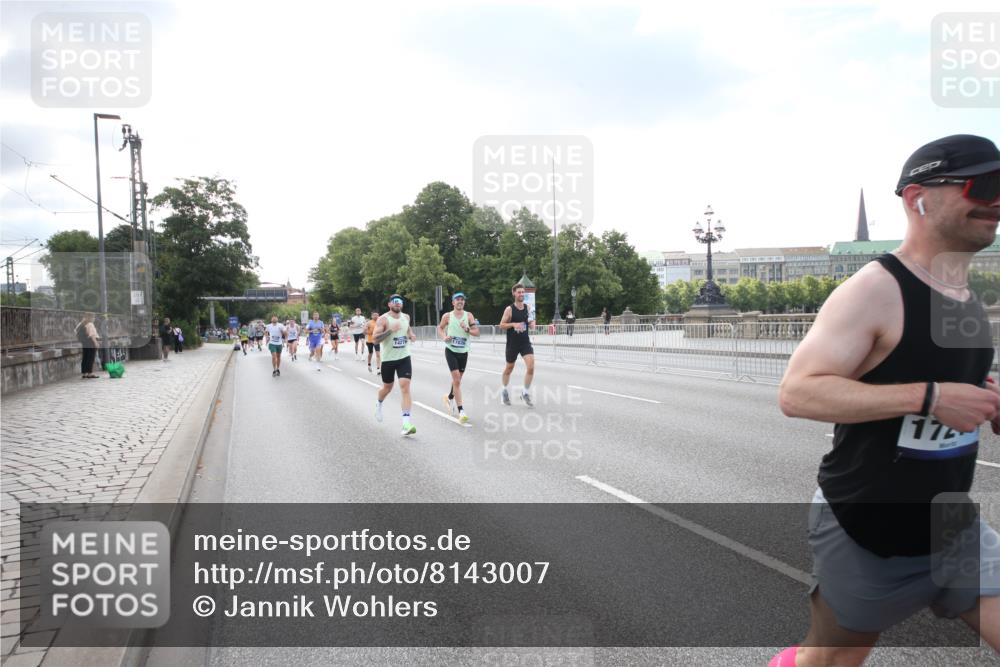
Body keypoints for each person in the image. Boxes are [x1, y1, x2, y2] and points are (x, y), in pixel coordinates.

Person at [773, 134, 1000, 667]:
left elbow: (961, 402)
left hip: (951, 528)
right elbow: (796, 392)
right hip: (865, 530)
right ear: (917, 197)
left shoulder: (967, 295)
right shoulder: (874, 290)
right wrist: (931, 397)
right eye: (982, 185)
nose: (997, 202)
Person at [373, 294, 417, 435]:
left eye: (400, 302)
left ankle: (406, 424)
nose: (398, 304)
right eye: (395, 301)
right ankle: (379, 403)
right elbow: (375, 340)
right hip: (388, 359)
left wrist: (411, 335)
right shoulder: (383, 319)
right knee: (387, 388)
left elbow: (407, 329)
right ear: (389, 304)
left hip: (404, 357)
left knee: (405, 387)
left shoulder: (406, 317)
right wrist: (391, 330)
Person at [439, 292, 480, 423]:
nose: (460, 301)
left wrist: (467, 329)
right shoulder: (447, 316)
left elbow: (477, 333)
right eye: (457, 299)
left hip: (463, 352)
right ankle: (461, 411)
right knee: (456, 379)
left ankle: (449, 397)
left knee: (457, 380)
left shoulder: (469, 316)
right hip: (451, 350)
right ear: (453, 302)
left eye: (462, 300)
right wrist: (444, 337)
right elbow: (440, 328)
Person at [499, 282, 535, 407]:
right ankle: (504, 390)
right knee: (509, 368)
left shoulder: (528, 307)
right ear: (514, 293)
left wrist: (532, 324)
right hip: (512, 343)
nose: (521, 294)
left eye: (522, 292)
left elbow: (531, 321)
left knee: (531, 367)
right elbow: (501, 325)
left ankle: (525, 393)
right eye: (519, 292)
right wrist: (513, 324)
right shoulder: (509, 309)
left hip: (525, 342)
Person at [75, 313, 100, 379]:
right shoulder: (90, 324)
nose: (94, 319)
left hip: (85, 343)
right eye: (93, 317)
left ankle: (84, 373)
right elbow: (92, 335)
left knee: (85, 357)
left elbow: (75, 331)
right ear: (90, 318)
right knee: (90, 358)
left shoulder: (81, 324)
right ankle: (90, 373)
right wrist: (96, 343)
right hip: (90, 342)